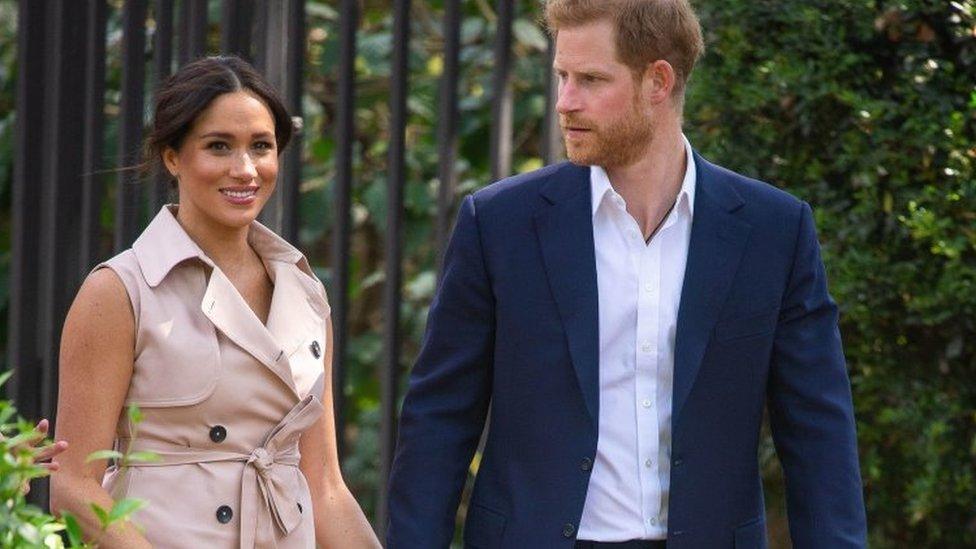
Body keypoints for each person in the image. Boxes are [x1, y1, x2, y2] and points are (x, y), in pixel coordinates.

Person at [386, 0, 867, 547]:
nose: (565, 102)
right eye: (562, 77)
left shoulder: (773, 230)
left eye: (590, 79)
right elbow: (439, 421)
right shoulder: (499, 224)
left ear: (657, 81)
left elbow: (818, 432)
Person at [50, 56, 380, 549]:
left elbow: (326, 487)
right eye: (218, 146)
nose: (245, 169)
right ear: (172, 156)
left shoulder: (305, 292)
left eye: (261, 147)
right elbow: (73, 486)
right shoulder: (120, 289)